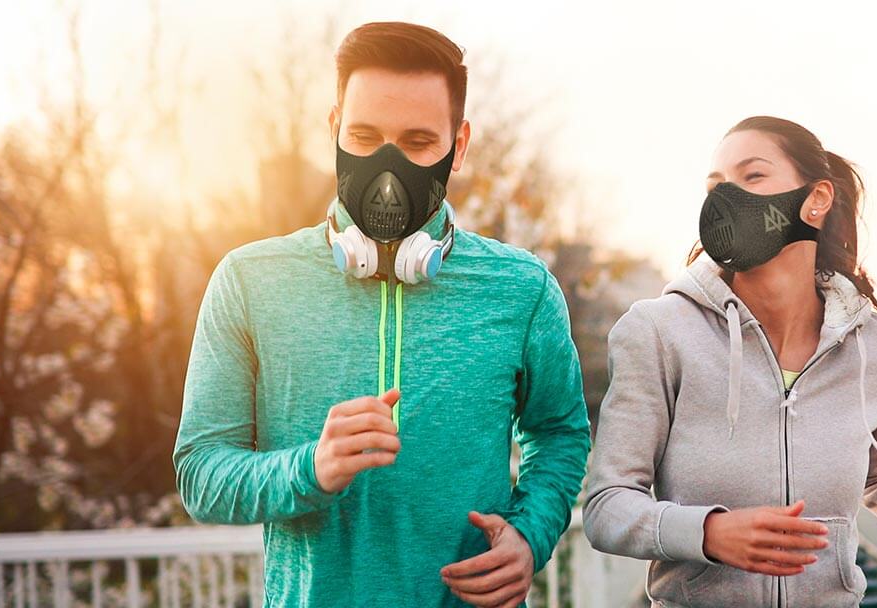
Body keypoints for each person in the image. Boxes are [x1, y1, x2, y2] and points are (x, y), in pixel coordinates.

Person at [173, 21, 590, 608]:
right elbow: (200, 475)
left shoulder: (523, 290)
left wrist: (530, 535)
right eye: (364, 136)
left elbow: (560, 435)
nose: (388, 167)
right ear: (333, 129)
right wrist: (309, 470)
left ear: (460, 146)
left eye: (419, 142)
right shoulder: (248, 280)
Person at [582, 116, 877, 607]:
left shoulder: (876, 346)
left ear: (816, 200)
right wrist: (708, 532)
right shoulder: (658, 332)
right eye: (716, 187)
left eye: (752, 177)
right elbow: (607, 506)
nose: (726, 199)